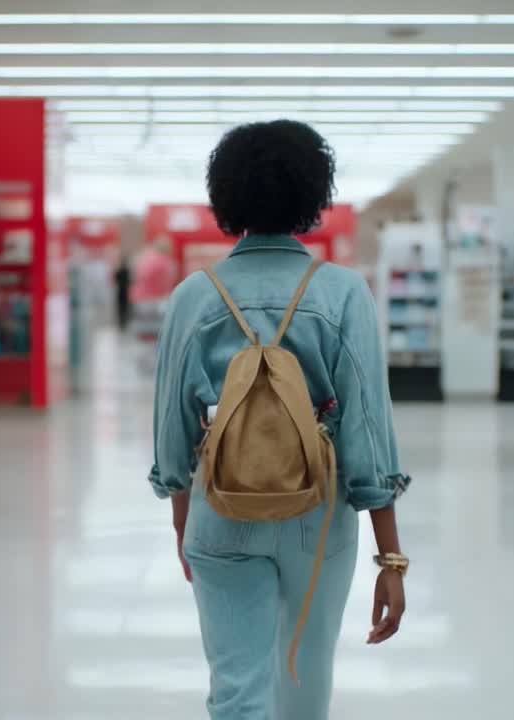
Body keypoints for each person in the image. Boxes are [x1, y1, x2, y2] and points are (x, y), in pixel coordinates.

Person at [149, 119, 410, 719]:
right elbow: (368, 430)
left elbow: (172, 435)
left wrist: (184, 526)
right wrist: (390, 558)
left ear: (226, 195)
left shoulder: (195, 295)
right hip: (317, 515)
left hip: (220, 505)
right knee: (305, 681)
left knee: (238, 690)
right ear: (313, 195)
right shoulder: (344, 293)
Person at [114, 256, 132, 330]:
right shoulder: (127, 271)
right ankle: (124, 322)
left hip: (120, 291)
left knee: (121, 308)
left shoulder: (120, 270)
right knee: (125, 308)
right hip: (125, 292)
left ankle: (121, 323)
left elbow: (115, 279)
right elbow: (130, 281)